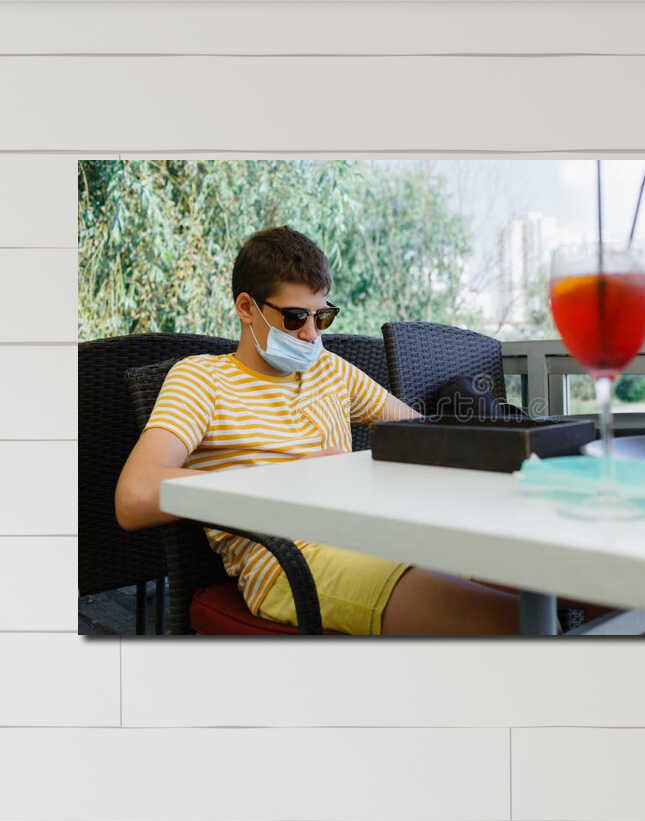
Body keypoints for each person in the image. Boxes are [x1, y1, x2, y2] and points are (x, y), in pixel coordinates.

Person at [114, 225, 522, 635]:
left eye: (321, 316)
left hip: (375, 534)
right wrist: (293, 480)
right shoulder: (202, 378)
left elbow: (418, 434)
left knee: (534, 583)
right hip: (288, 562)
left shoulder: (330, 370)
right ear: (245, 307)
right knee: (515, 622)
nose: (311, 334)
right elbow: (135, 496)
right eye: (295, 318)